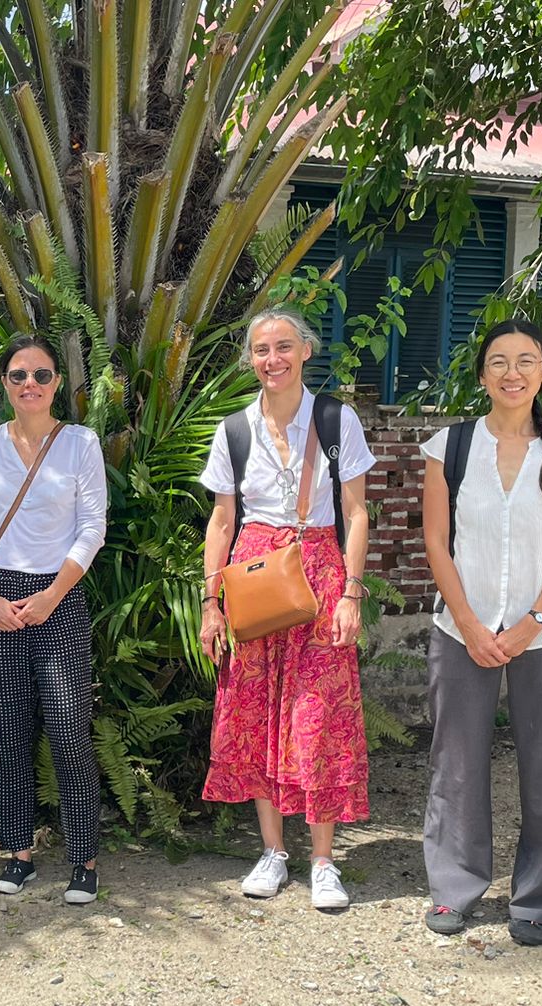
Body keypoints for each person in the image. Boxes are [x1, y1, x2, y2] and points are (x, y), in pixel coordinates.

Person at [419, 318, 542, 947]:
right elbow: (436, 542)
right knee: (457, 764)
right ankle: (455, 886)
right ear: (482, 374)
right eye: (498, 361)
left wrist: (530, 625)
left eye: (526, 361)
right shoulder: (451, 448)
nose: (512, 372)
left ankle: (540, 898)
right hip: (459, 631)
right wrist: (468, 622)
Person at [198, 308, 375, 910]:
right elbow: (222, 521)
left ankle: (323, 860)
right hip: (252, 578)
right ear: (250, 359)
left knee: (318, 714)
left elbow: (355, 513)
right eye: (260, 350)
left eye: (282, 347)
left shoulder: (334, 419)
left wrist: (351, 591)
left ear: (304, 351)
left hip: (320, 572)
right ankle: (273, 852)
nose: (271, 359)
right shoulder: (234, 430)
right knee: (256, 713)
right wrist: (210, 604)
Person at [0, 333, 108, 904]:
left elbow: (92, 526)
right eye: (19, 376)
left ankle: (84, 859)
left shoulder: (80, 444)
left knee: (69, 732)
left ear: (57, 385)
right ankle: (17, 852)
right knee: (10, 733)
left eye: (41, 375)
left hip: (59, 596)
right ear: (5, 386)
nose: (30, 385)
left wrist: (51, 595)